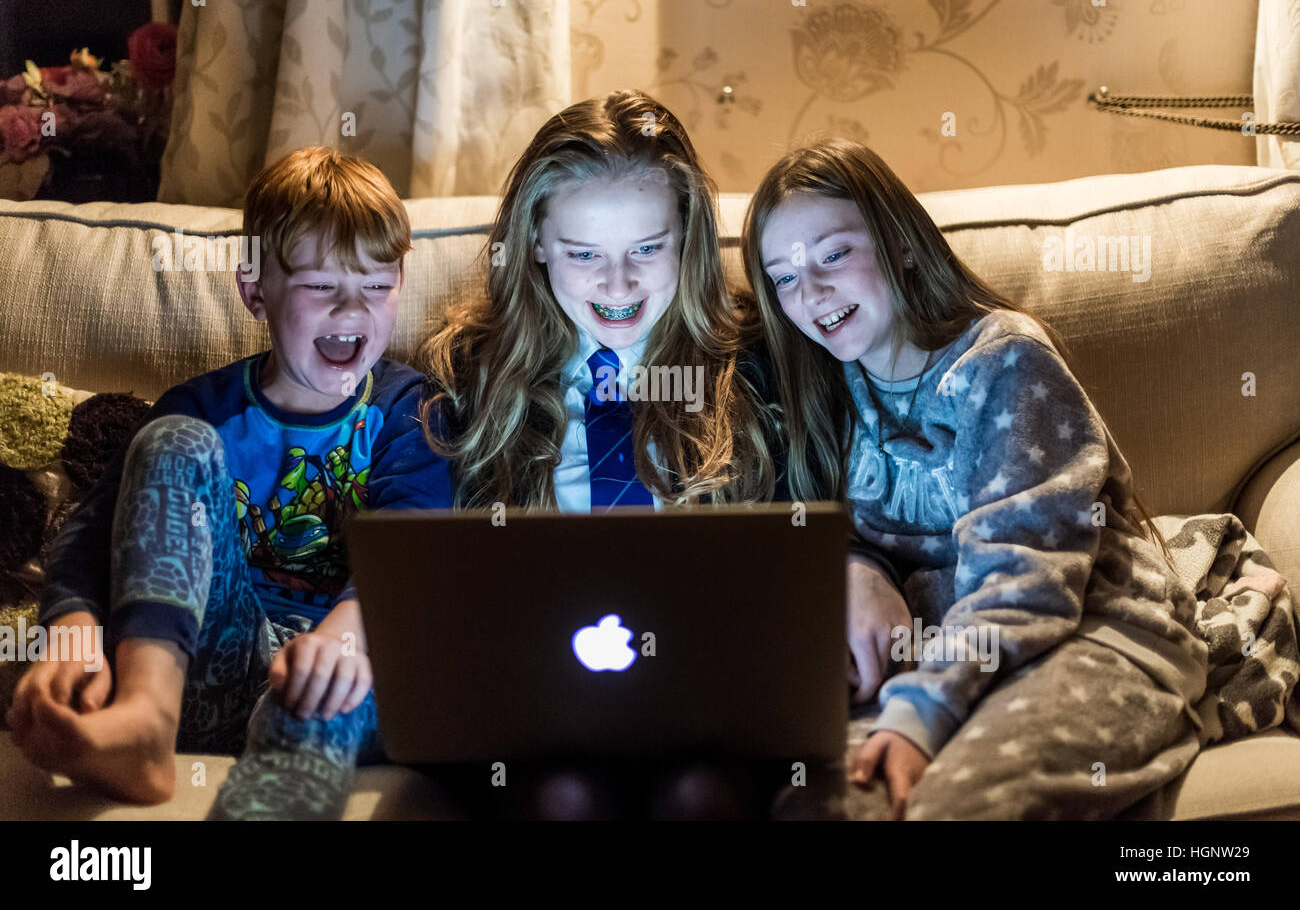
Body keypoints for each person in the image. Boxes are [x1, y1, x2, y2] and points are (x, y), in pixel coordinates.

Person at [742, 137, 1209, 819]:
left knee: (958, 806)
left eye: (834, 254)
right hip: (941, 652)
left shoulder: (1003, 363)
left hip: (1087, 627)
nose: (809, 292)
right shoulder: (824, 390)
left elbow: (1026, 573)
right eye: (783, 276)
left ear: (900, 243)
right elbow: (813, 523)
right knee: (825, 804)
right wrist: (855, 564)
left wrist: (920, 714)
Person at [6, 146, 453, 820]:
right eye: (320, 286)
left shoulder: (408, 410)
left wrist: (345, 639)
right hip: (206, 667)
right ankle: (144, 722)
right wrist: (72, 632)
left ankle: (266, 804)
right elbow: (89, 537)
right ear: (254, 290)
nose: (353, 310)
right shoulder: (202, 408)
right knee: (170, 441)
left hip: (345, 672)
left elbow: (417, 542)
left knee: (334, 686)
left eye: (377, 283)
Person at [416, 89, 826, 818]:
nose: (617, 285)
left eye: (646, 249)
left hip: (715, 714)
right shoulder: (472, 378)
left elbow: (813, 551)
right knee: (564, 799)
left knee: (700, 795)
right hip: (542, 720)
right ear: (536, 244)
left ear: (688, 237)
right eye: (583, 255)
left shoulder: (761, 366)